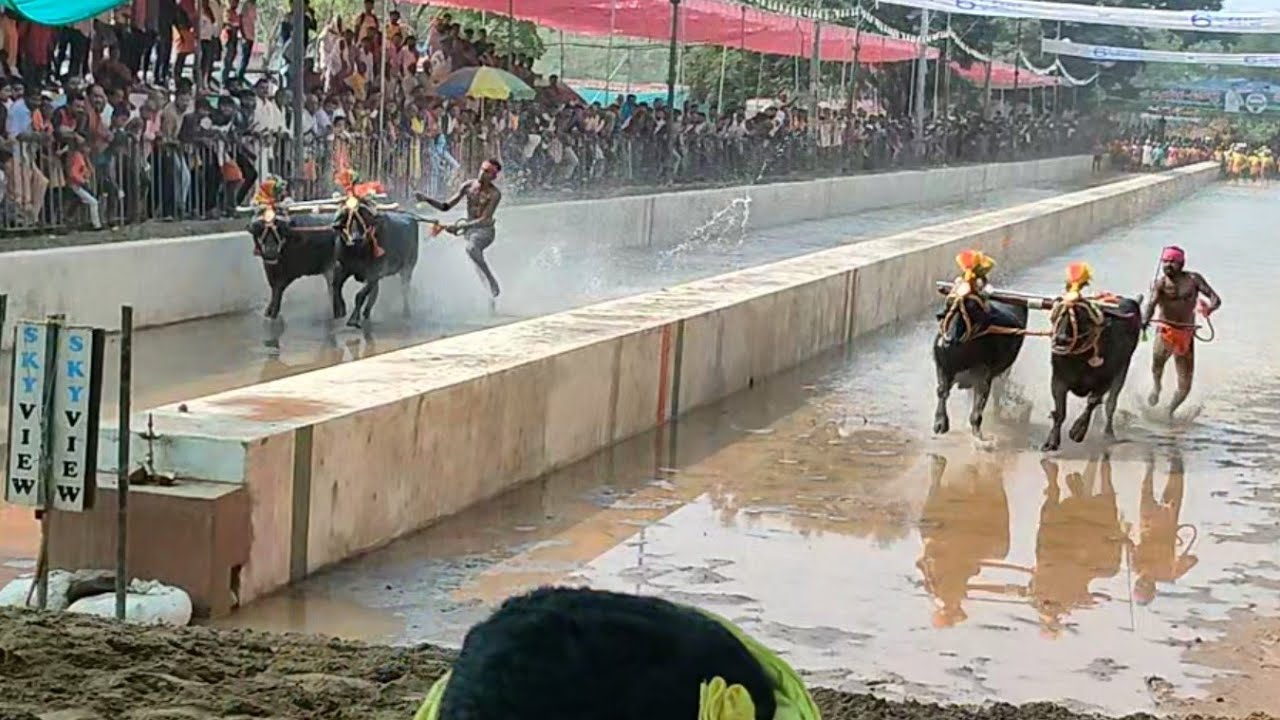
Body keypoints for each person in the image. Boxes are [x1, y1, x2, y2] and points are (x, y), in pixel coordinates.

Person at [1142, 246, 1222, 417]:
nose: (1168, 265)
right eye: (1166, 261)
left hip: (1186, 334)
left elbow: (1216, 299)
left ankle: (1169, 412)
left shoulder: (1194, 279)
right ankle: (1157, 387)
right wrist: (1144, 321)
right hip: (1165, 330)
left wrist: (1209, 308)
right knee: (1157, 366)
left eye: (1173, 262)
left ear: (1182, 263)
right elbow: (1151, 305)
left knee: (1185, 385)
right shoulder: (1160, 283)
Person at [415, 158, 503, 307]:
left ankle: (491, 280)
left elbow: (484, 219)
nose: (482, 173)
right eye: (482, 169)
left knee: (472, 249)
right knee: (473, 261)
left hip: (485, 231)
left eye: (488, 172)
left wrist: (461, 227)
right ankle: (488, 295)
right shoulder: (468, 186)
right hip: (469, 230)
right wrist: (426, 199)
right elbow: (445, 206)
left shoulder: (494, 194)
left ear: (494, 176)